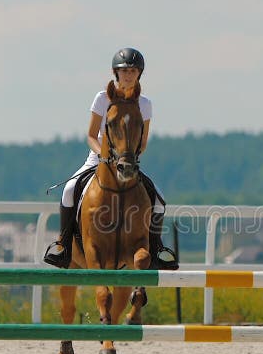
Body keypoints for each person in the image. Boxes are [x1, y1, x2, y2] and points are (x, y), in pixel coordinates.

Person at [43, 47, 178, 270]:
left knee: (159, 199)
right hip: (98, 159)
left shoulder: (145, 104)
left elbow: (142, 142)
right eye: (124, 70)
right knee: (69, 189)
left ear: (139, 74)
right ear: (116, 72)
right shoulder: (102, 98)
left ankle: (157, 248)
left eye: (133, 71)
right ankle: (63, 245)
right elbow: (90, 135)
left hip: (127, 161)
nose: (129, 75)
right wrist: (103, 155)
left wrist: (130, 157)